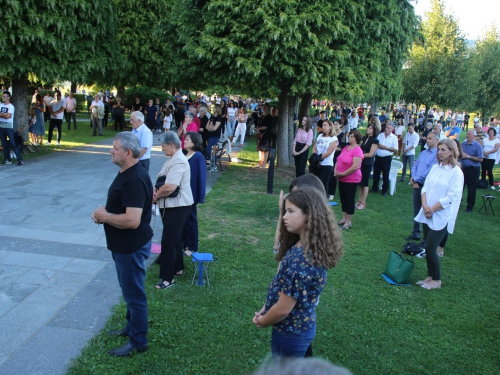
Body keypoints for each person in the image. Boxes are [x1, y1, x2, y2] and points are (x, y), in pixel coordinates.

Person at [253, 188, 343, 358]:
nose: (284, 217)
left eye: (290, 211)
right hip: (299, 327)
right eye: (285, 211)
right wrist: (266, 307)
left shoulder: (302, 261)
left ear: (309, 215)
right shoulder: (304, 245)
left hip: (290, 332)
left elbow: (283, 309)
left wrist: (263, 321)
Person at [91, 132, 153, 356]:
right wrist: (104, 215)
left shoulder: (134, 179)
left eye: (114, 147)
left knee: (134, 295)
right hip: (124, 246)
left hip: (130, 247)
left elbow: (132, 220)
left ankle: (138, 341)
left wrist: (105, 216)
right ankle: (131, 327)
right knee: (129, 292)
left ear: (128, 152)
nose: (111, 150)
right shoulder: (129, 172)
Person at [414, 139, 464, 290]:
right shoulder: (435, 168)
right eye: (439, 150)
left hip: (441, 215)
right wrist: (425, 206)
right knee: (427, 246)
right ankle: (430, 276)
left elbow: (452, 196)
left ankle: (437, 279)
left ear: (452, 152)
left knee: (430, 247)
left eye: (443, 150)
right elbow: (425, 188)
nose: (440, 153)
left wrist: (433, 209)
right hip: (427, 211)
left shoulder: (456, 172)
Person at [154, 131, 194, 289]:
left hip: (178, 206)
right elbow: (163, 180)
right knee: (175, 239)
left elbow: (170, 186)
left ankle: (167, 278)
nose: (162, 149)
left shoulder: (179, 161)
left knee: (168, 240)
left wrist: (156, 196)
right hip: (173, 206)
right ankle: (177, 268)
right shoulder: (173, 158)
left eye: (163, 146)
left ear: (171, 145)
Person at [406, 131, 439, 242]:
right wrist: (413, 178)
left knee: (426, 210)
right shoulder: (423, 153)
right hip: (416, 184)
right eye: (427, 138)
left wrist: (416, 179)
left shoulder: (437, 155)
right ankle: (416, 233)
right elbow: (415, 166)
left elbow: (429, 171)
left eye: (430, 138)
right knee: (416, 210)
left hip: (426, 187)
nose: (427, 140)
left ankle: (426, 238)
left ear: (436, 140)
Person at [181, 132, 206, 256]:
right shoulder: (184, 154)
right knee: (183, 220)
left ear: (194, 142)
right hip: (182, 194)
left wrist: (200, 196)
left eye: (187, 140)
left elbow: (201, 177)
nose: (184, 141)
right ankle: (184, 243)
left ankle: (192, 247)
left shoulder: (198, 156)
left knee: (191, 221)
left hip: (191, 194)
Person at [335, 130, 363, 230]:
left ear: (356, 139)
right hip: (341, 178)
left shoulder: (357, 150)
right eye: (349, 136)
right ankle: (343, 218)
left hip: (351, 179)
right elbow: (339, 160)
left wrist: (343, 173)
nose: (349, 137)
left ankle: (348, 221)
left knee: (349, 200)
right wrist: (336, 171)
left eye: (351, 136)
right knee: (343, 199)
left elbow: (355, 166)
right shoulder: (346, 147)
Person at [356, 123, 379, 210]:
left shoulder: (375, 140)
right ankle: (359, 199)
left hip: (367, 162)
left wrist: (359, 155)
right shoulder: (365, 138)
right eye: (368, 128)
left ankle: (363, 202)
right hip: (361, 162)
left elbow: (370, 154)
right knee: (360, 182)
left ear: (373, 130)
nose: (367, 129)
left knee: (365, 182)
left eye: (370, 128)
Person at [311, 120, 338, 195]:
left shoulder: (333, 138)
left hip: (326, 164)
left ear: (330, 126)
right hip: (317, 163)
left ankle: (323, 200)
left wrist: (319, 158)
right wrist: (314, 157)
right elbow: (314, 147)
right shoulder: (320, 136)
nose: (323, 127)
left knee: (323, 183)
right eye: (322, 125)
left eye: (325, 125)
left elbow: (329, 152)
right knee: (316, 182)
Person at [371, 123, 398, 196]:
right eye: (386, 127)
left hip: (386, 158)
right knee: (376, 173)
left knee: (385, 174)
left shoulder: (394, 138)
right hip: (378, 157)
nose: (387, 129)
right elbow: (377, 144)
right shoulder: (380, 135)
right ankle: (374, 188)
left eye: (389, 128)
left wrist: (386, 147)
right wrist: (382, 146)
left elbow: (395, 149)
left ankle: (384, 190)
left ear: (392, 129)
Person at [461, 130, 484, 213]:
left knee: (471, 189)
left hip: (473, 170)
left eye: (470, 134)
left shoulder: (477, 146)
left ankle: (469, 207)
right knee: (460, 187)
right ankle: (458, 204)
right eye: (467, 134)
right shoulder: (463, 145)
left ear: (474, 136)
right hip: (463, 169)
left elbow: (480, 159)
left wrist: (468, 156)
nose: (468, 136)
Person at [0, 91, 24, 165]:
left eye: (4, 96)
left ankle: (20, 160)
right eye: (2, 96)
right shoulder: (0, 105)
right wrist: (4, 114)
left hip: (9, 127)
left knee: (13, 143)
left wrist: (1, 114)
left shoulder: (11, 106)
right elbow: (6, 115)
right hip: (1, 127)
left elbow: (8, 116)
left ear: (8, 97)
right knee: (4, 144)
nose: (2, 98)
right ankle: (8, 159)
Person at [206, 104, 223, 171]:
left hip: (215, 135)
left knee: (209, 149)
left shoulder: (219, 117)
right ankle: (213, 165)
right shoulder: (212, 116)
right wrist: (210, 128)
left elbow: (215, 128)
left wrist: (210, 128)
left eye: (215, 107)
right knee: (211, 150)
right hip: (210, 135)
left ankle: (214, 164)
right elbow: (207, 126)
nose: (213, 108)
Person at [256, 103, 273, 168]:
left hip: (266, 135)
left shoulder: (269, 117)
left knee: (265, 149)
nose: (264, 108)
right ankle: (261, 162)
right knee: (261, 149)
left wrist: (258, 128)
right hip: (260, 135)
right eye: (263, 107)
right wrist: (258, 129)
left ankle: (264, 163)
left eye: (265, 107)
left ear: (268, 109)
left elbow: (266, 126)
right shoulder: (263, 116)